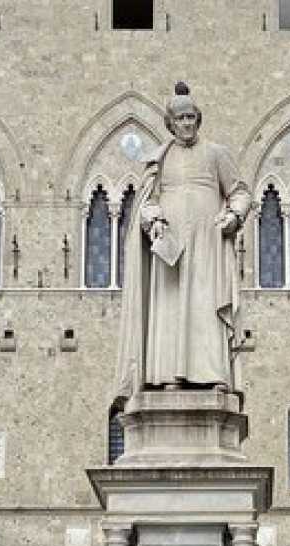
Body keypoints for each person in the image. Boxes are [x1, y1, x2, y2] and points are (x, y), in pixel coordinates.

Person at [113, 83, 252, 405]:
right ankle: (167, 377)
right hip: (171, 250)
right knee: (170, 309)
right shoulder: (158, 160)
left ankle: (214, 375)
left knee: (206, 306)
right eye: (181, 118)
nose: (187, 123)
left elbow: (241, 191)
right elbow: (147, 201)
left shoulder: (216, 154)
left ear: (198, 120)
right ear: (170, 123)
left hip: (208, 245)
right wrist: (154, 220)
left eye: (191, 117)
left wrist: (233, 215)